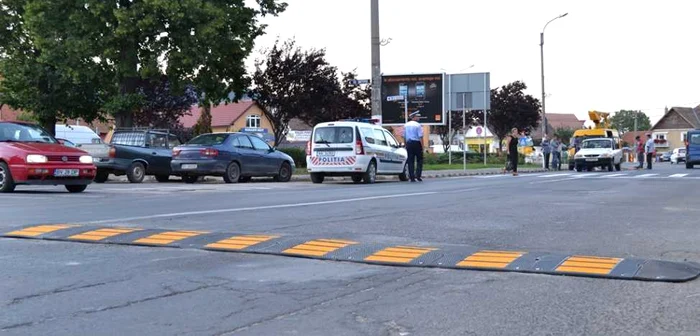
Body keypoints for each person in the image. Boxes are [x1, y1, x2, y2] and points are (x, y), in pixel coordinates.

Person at [403, 110, 424, 182]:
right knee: (419, 160)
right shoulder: (418, 125)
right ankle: (418, 176)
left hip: (409, 143)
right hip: (417, 143)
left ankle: (412, 177)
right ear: (413, 117)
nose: (418, 118)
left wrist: (406, 145)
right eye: (417, 116)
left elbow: (404, 136)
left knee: (410, 160)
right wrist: (422, 146)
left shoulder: (406, 125)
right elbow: (420, 137)